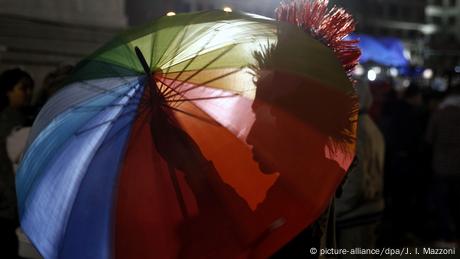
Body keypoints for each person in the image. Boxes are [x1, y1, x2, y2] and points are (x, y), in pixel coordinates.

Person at [336, 80, 385, 258]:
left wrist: (339, 210)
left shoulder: (357, 131)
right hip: (370, 208)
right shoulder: (371, 126)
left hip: (355, 214)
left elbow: (356, 178)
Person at [0, 68, 34, 258]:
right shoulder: (10, 120)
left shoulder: (20, 116)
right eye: (23, 88)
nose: (28, 93)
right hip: (6, 198)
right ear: (8, 90)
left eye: (30, 88)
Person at [426, 85, 460, 247]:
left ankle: (445, 236)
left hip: (441, 165)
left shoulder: (439, 114)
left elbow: (429, 138)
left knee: (443, 202)